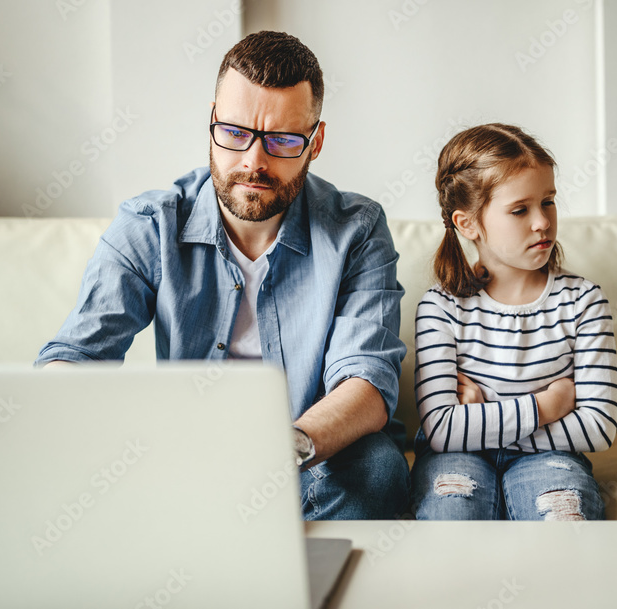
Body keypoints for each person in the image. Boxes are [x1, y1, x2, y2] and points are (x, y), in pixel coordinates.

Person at [35, 31, 410, 520]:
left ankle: (217, 533)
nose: (254, 162)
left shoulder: (356, 229)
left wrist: (283, 451)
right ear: (212, 121)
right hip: (181, 453)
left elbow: (367, 381)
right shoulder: (151, 224)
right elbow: (75, 356)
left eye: (281, 141)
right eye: (234, 133)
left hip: (305, 455)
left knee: (378, 470)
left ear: (315, 142)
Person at [410, 124, 617, 521]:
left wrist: (479, 420)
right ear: (468, 223)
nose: (542, 222)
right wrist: (547, 405)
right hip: (459, 457)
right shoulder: (440, 308)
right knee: (449, 516)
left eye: (549, 202)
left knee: (562, 518)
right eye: (520, 210)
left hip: (549, 459)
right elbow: (442, 431)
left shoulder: (583, 302)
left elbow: (599, 427)